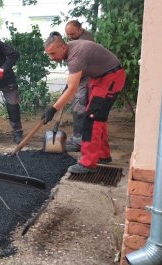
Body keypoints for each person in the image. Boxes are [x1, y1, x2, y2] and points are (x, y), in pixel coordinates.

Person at [42, 33, 125, 174]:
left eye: (53, 53)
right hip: (99, 78)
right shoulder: (71, 50)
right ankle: (102, 155)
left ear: (63, 47)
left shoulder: (75, 56)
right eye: (49, 54)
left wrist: (53, 109)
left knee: (91, 119)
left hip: (110, 78)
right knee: (97, 118)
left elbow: (72, 89)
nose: (51, 57)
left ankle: (88, 163)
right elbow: (71, 84)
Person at [64, 20, 95, 152]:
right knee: (77, 107)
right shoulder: (78, 38)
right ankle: (78, 137)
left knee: (80, 107)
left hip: (86, 78)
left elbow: (80, 68)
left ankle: (79, 142)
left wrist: (71, 85)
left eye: (72, 33)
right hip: (80, 77)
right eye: (68, 35)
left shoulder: (85, 40)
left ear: (80, 29)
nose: (70, 37)